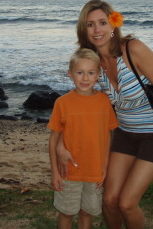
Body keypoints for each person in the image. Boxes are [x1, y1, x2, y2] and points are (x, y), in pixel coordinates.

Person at [57, 0, 153, 229]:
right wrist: (61, 143)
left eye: (102, 22)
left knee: (127, 203)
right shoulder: (92, 62)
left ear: (113, 24)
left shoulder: (133, 49)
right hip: (124, 135)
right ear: (84, 29)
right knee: (110, 201)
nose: (97, 30)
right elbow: (80, 107)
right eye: (90, 24)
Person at [48, 48, 119, 229]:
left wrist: (104, 166)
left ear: (98, 75)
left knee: (87, 213)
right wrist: (55, 172)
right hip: (68, 173)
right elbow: (53, 140)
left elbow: (108, 136)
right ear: (70, 74)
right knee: (66, 212)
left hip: (94, 171)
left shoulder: (104, 102)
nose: (85, 78)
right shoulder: (62, 103)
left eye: (90, 73)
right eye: (80, 73)